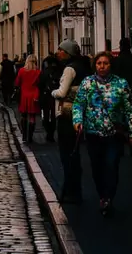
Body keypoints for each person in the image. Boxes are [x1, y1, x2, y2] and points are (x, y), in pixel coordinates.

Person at [73, 51, 132, 216]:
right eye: (99, 63)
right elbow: (78, 104)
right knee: (96, 167)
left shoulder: (121, 84)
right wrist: (77, 120)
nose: (102, 66)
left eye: (105, 63)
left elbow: (130, 110)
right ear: (95, 65)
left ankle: (108, 198)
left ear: (110, 65)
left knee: (111, 165)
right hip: (93, 133)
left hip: (114, 133)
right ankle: (102, 194)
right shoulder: (87, 83)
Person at [51, 39, 90, 204]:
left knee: (66, 154)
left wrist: (52, 92)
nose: (58, 52)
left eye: (60, 50)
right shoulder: (84, 67)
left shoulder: (69, 69)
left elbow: (62, 92)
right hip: (80, 114)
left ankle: (70, 190)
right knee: (75, 153)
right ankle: (76, 190)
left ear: (67, 52)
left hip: (67, 115)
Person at [15, 55, 41, 143]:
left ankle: (24, 136)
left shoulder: (22, 71)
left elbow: (17, 82)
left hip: (24, 95)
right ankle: (30, 136)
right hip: (34, 95)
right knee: (32, 116)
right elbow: (39, 84)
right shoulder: (38, 72)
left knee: (23, 115)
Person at [39, 52, 61, 143]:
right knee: (54, 116)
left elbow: (40, 84)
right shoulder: (58, 71)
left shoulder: (44, 72)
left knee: (46, 115)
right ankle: (51, 132)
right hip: (55, 96)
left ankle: (49, 132)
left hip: (46, 96)